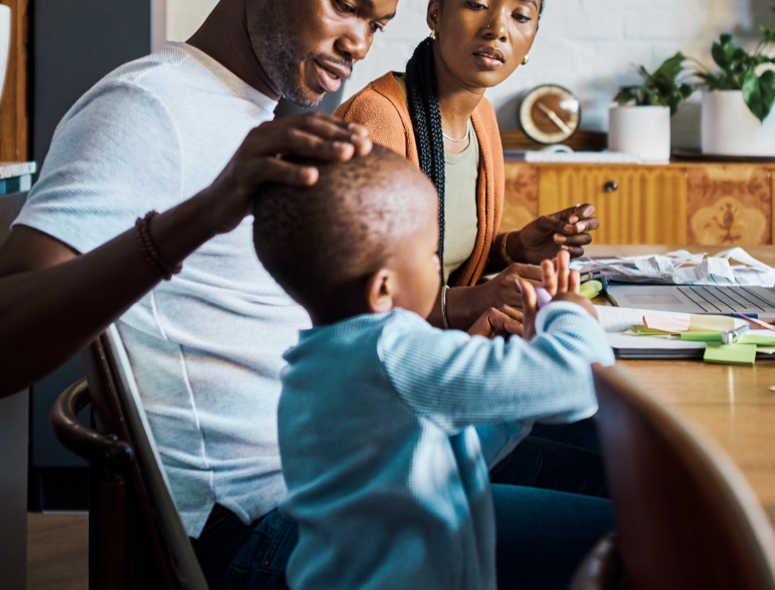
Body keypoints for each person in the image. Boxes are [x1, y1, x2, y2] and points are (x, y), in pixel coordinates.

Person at [0, 0, 407, 575]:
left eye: (376, 24)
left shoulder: (249, 116)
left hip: (324, 491)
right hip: (255, 533)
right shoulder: (146, 107)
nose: (359, 44)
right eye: (346, 5)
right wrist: (201, 216)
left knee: (583, 452)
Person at [253, 147, 615, 590]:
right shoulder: (396, 351)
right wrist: (571, 313)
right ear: (383, 287)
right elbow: (579, 380)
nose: (438, 266)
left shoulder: (317, 360)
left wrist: (515, 383)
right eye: (431, 254)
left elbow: (439, 459)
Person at [334, 0, 599, 332]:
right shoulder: (377, 121)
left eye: (520, 16)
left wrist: (516, 248)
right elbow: (349, 295)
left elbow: (446, 260)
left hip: (445, 347)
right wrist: (478, 300)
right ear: (435, 14)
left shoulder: (482, 120)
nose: (498, 29)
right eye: (478, 4)